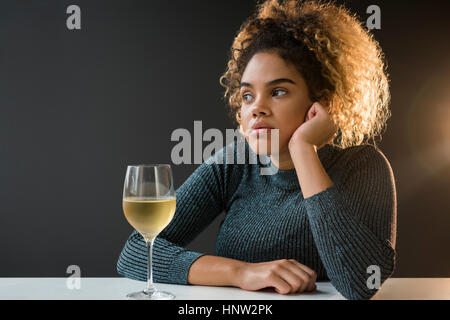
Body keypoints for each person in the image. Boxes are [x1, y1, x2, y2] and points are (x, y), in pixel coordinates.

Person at [117, 0, 397, 300]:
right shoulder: (234, 163)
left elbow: (362, 284)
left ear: (323, 103)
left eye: (278, 92)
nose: (256, 108)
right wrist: (241, 273)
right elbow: (135, 252)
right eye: (248, 95)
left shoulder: (363, 166)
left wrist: (304, 150)